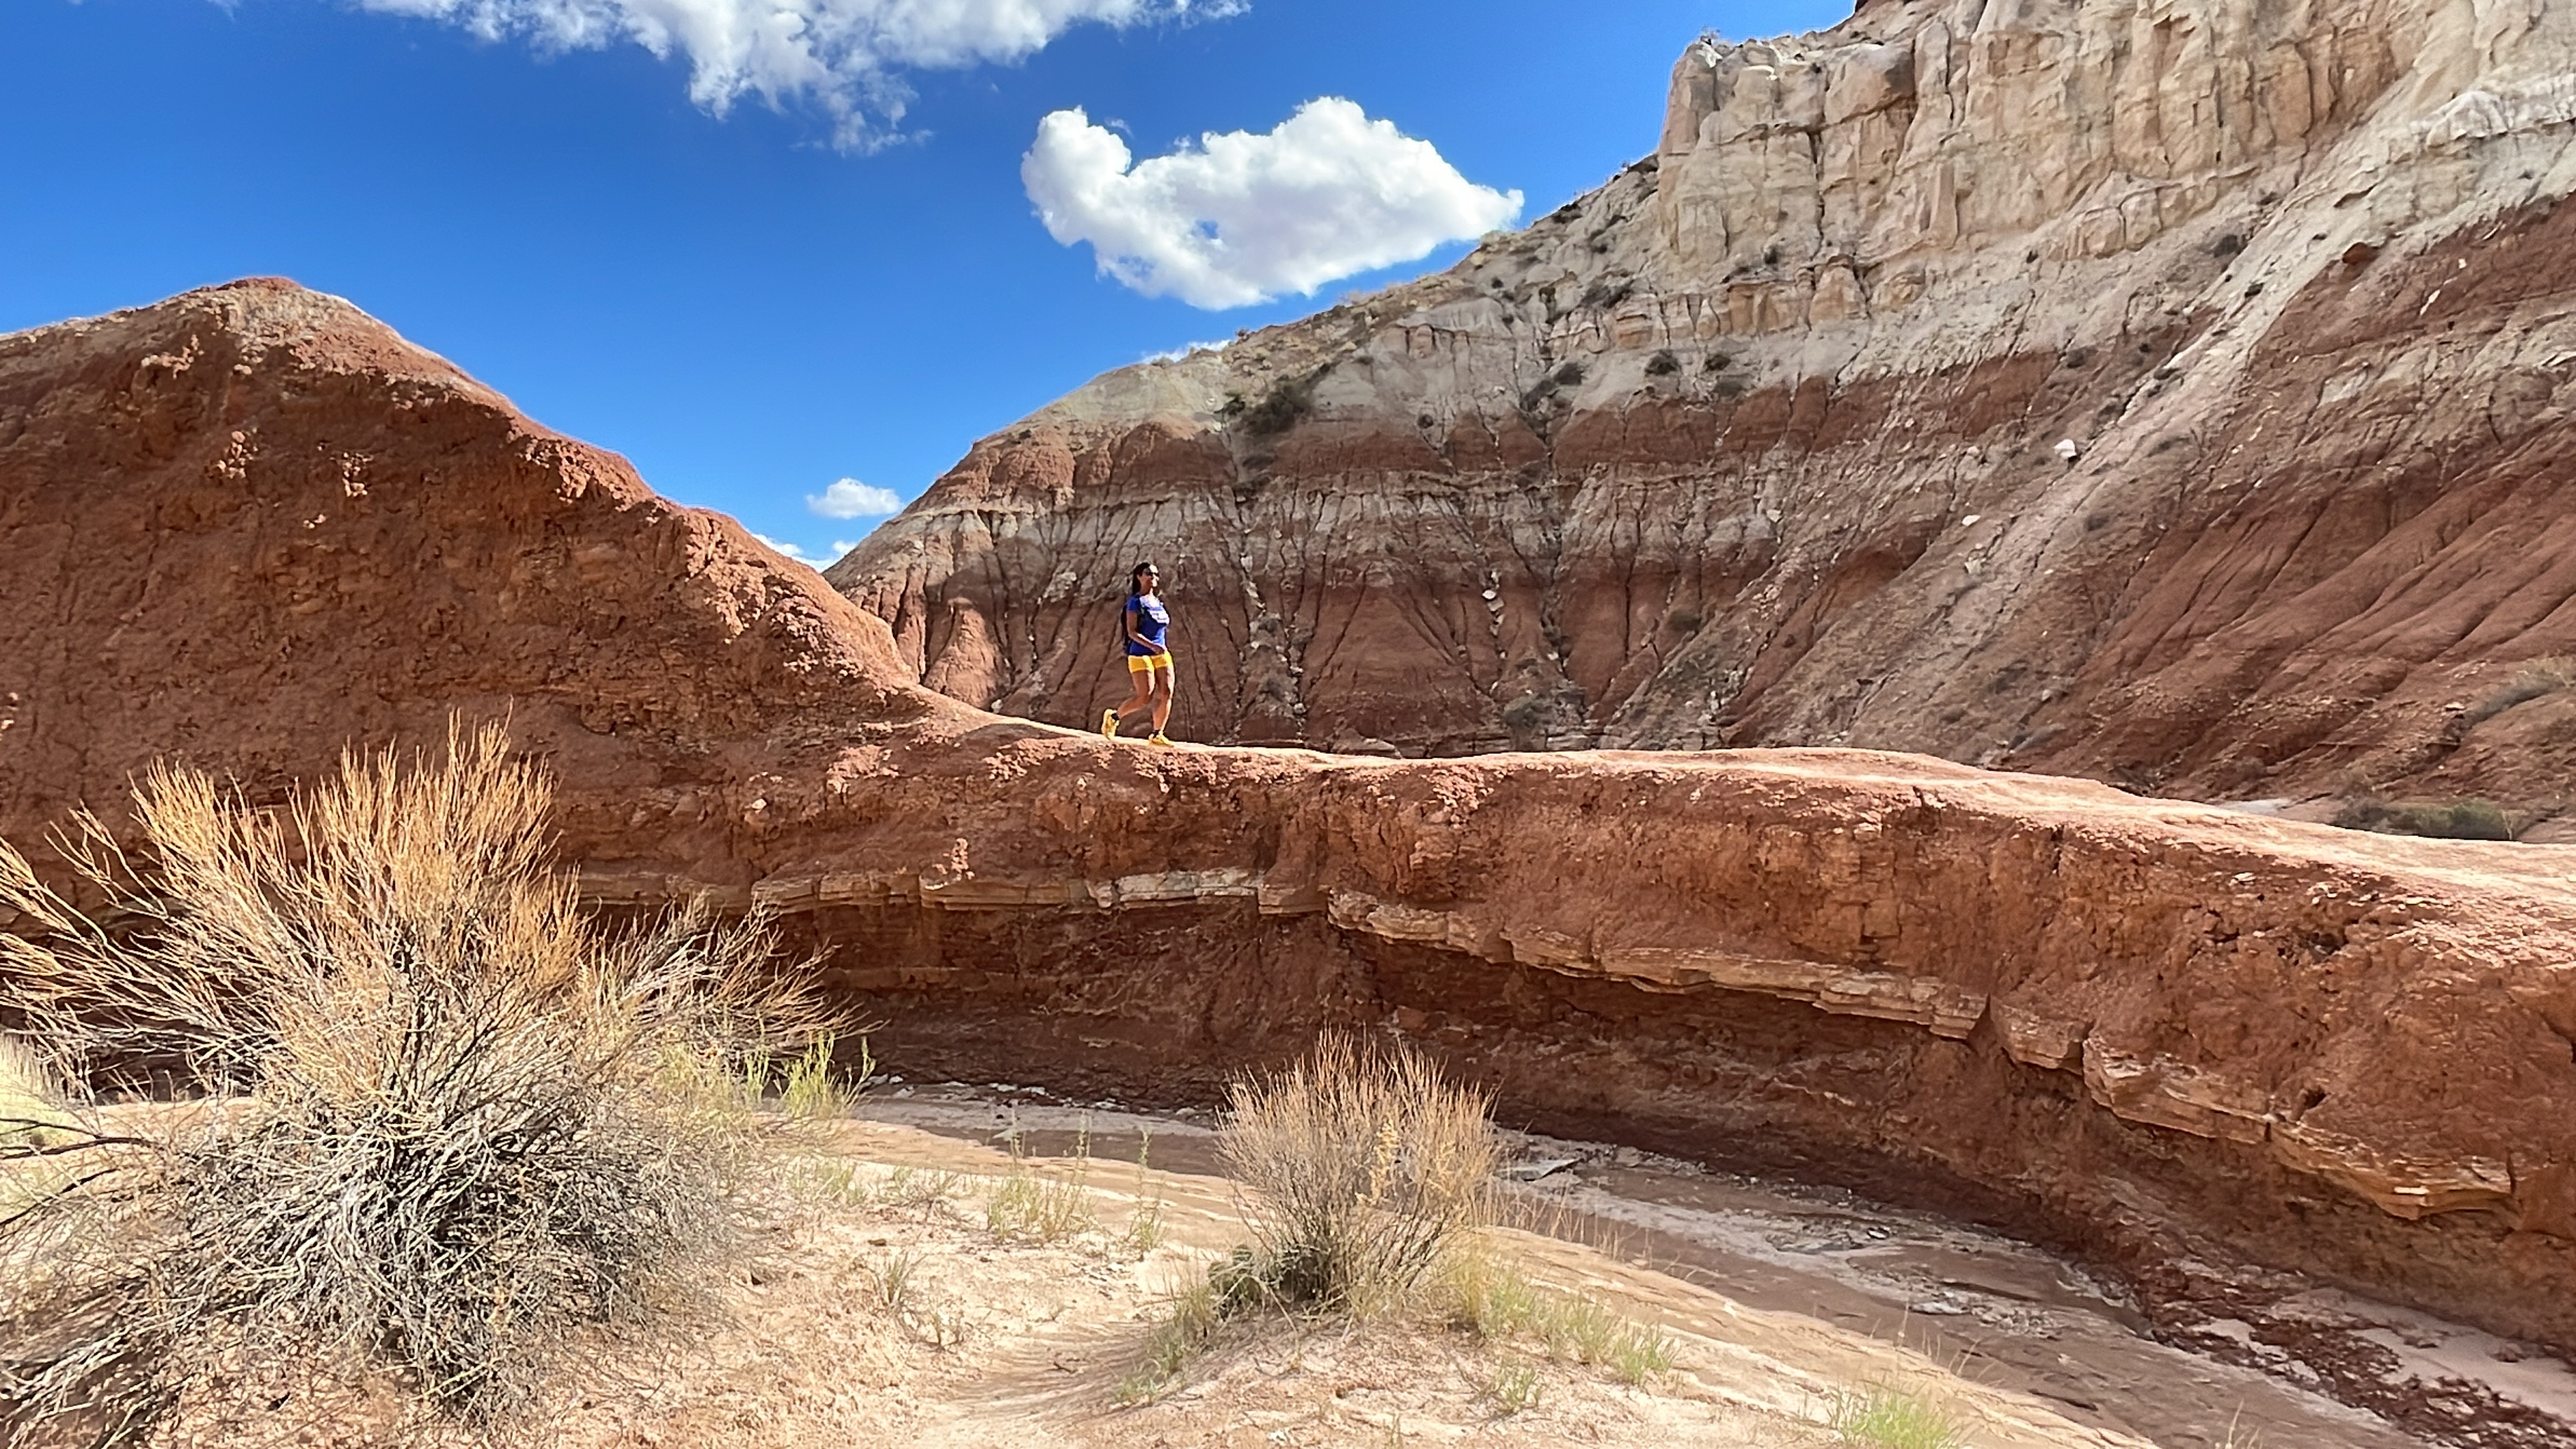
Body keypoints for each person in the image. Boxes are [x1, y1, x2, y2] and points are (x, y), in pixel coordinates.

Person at [1100, 561, 1175, 746]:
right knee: (1145, 696)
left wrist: (1158, 648)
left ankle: (1157, 734)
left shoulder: (1158, 602)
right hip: (1141, 654)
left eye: (1156, 574)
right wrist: (1152, 646)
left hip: (1161, 652)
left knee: (1166, 692)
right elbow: (1132, 632)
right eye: (1149, 573)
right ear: (1139, 577)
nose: (1153, 578)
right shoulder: (1135, 603)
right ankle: (1114, 717)